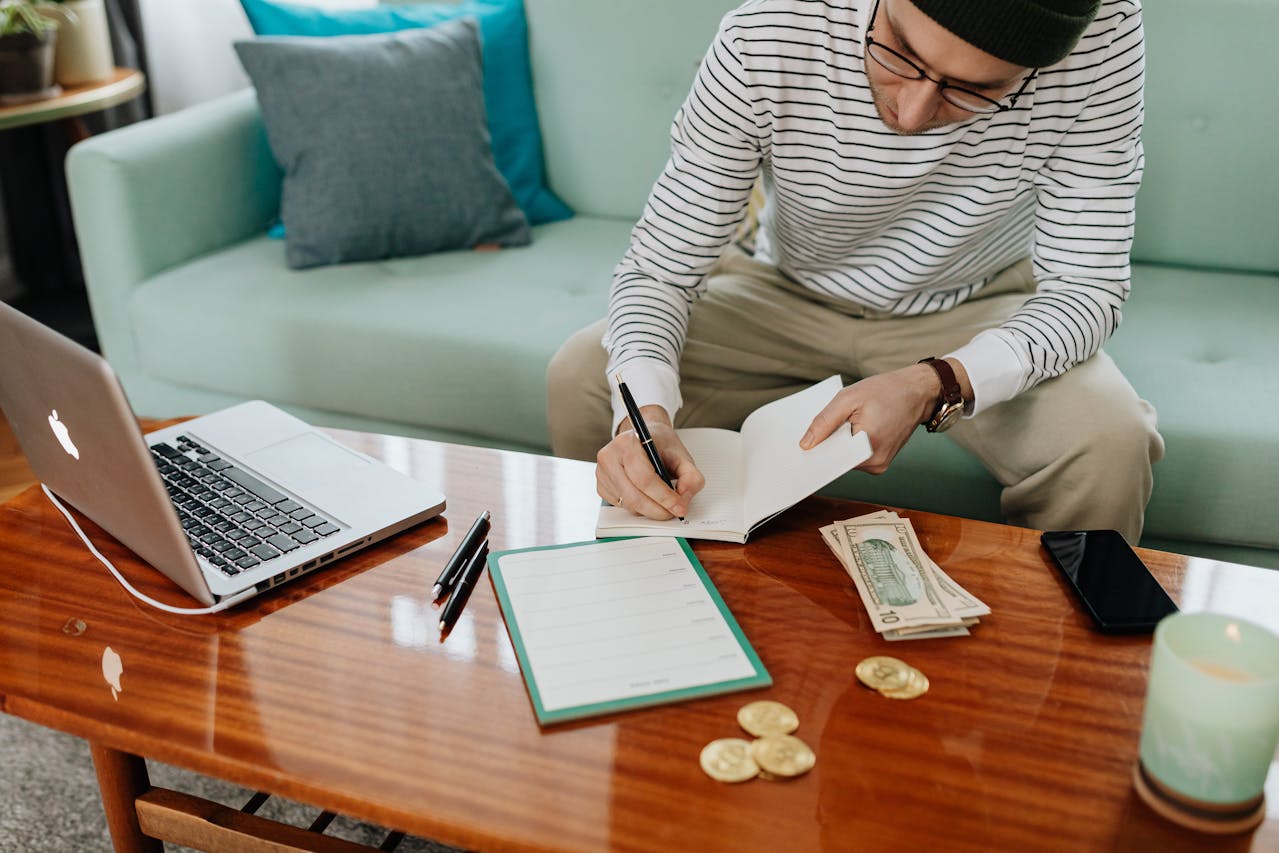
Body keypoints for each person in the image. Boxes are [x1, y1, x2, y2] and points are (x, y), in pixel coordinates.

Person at [547, 0, 1163, 543]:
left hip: (975, 304)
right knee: (585, 375)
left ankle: (1057, 662)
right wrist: (643, 419)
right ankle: (635, 605)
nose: (914, 113)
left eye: (973, 89)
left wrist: (938, 382)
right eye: (899, 51)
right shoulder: (771, 28)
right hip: (779, 291)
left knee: (1109, 442)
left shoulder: (1103, 34)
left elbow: (1088, 287)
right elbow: (660, 270)